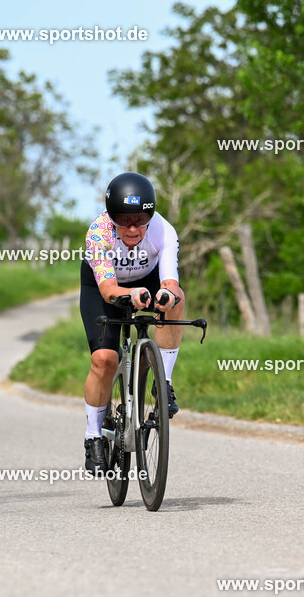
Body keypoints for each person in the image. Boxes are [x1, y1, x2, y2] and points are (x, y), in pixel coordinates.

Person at [79, 172, 184, 473]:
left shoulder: (163, 230)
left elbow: (170, 282)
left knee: (178, 300)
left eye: (140, 219)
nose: (134, 228)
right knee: (104, 360)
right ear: (111, 217)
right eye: (124, 220)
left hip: (147, 279)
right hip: (103, 287)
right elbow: (109, 290)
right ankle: (93, 436)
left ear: (151, 215)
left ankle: (164, 384)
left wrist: (167, 295)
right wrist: (131, 294)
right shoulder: (99, 233)